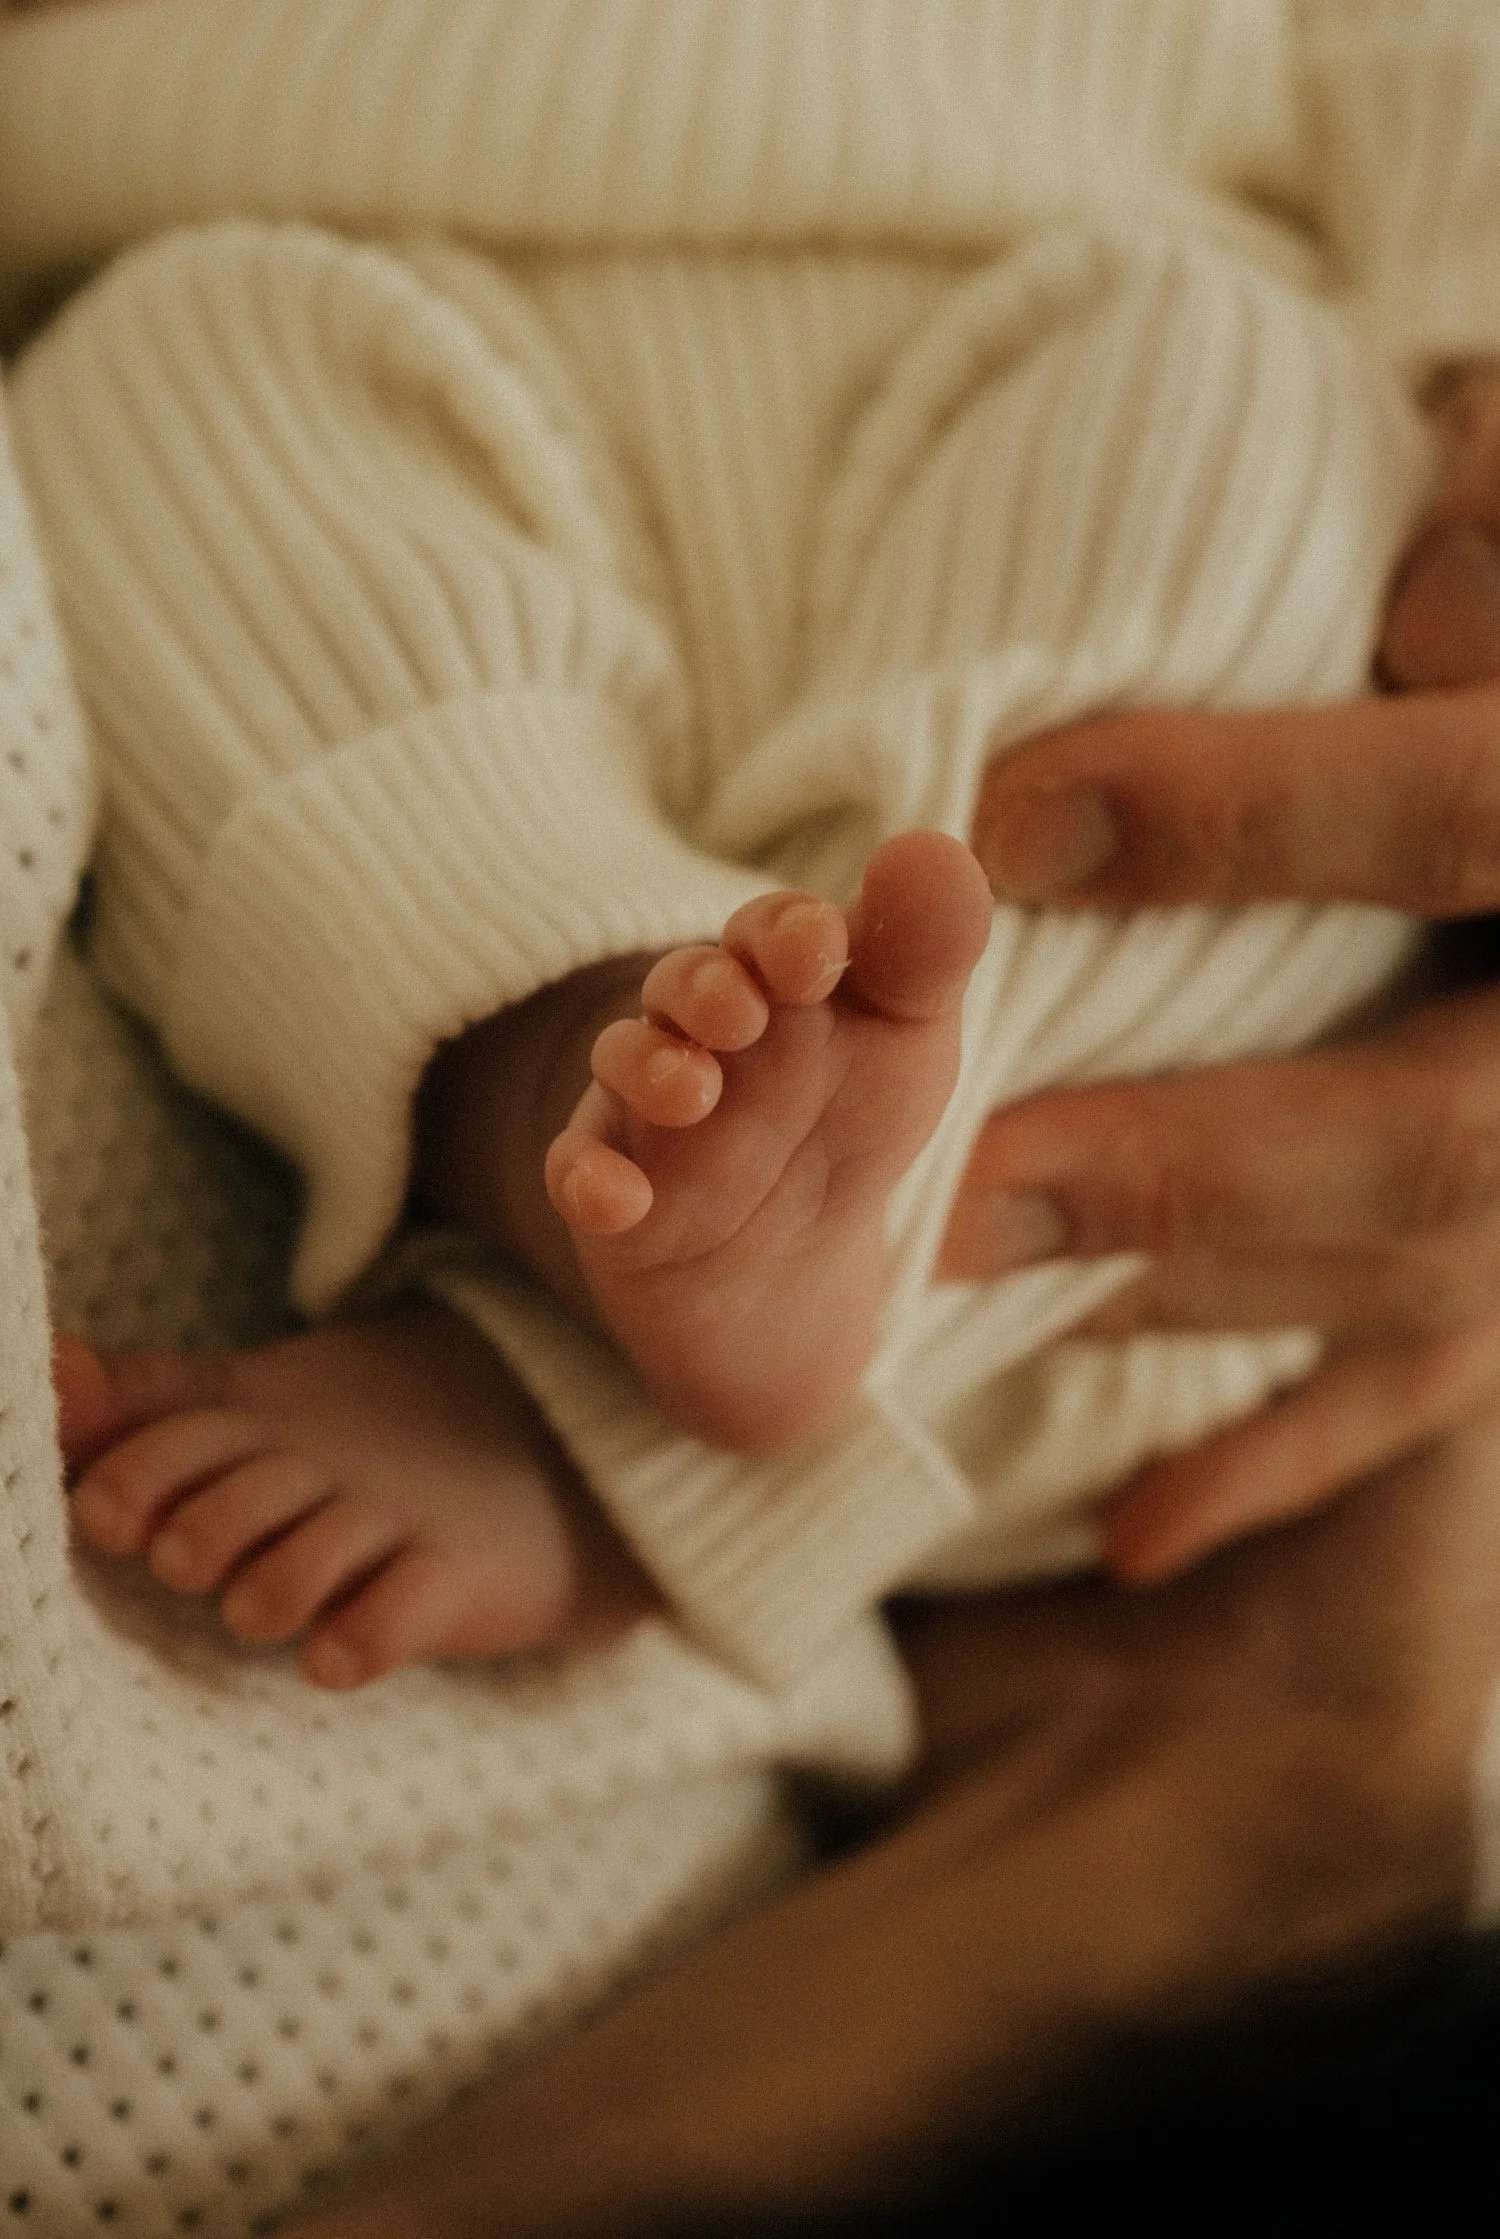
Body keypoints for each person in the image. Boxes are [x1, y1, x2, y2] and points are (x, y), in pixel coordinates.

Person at [2, 0, 1475, 1705]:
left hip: (1084, 399)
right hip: (378, 298)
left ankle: (697, 1359)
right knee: (157, 395)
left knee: (1265, 420)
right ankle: (585, 1103)